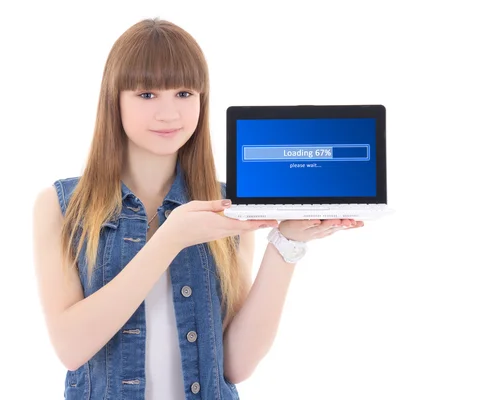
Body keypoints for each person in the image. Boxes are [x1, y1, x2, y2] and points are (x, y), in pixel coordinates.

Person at [32, 17, 363, 400]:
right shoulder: (62, 206)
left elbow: (235, 365)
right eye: (147, 94)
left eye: (185, 93)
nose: (169, 113)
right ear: (114, 99)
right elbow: (71, 349)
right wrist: (169, 240)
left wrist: (286, 245)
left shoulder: (226, 206)